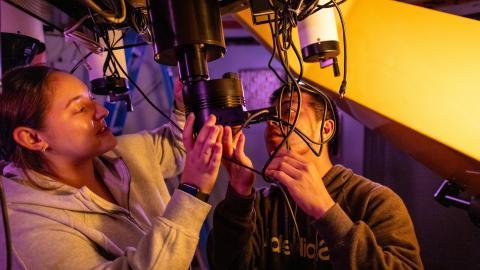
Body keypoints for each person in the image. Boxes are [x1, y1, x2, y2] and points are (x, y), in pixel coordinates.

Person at [0, 65, 224, 269]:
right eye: (80, 108)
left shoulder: (123, 154)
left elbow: (179, 147)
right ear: (32, 138)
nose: (101, 111)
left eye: (91, 99)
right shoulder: (26, 229)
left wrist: (185, 105)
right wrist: (191, 191)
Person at [208, 84, 424, 269]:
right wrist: (238, 193)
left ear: (326, 129)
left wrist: (326, 211)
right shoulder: (261, 205)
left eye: (288, 111)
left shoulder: (375, 201)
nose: (273, 122)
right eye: (270, 116)